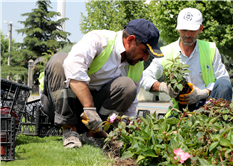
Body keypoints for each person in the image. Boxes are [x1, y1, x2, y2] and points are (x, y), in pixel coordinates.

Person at [40, 19, 163, 149]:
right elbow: (72, 65)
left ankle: (92, 135)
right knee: (59, 61)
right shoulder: (99, 40)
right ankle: (69, 130)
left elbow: (130, 106)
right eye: (144, 51)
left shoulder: (136, 66)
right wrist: (89, 108)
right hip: (59, 107)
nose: (145, 58)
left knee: (128, 85)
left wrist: (130, 131)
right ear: (130, 40)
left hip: (94, 120)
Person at [140, 8, 233, 113]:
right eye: (184, 30)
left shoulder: (210, 49)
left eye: (192, 31)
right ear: (178, 28)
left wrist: (204, 92)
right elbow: (144, 78)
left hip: (208, 104)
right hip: (180, 108)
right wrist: (163, 87)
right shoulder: (166, 52)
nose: (188, 35)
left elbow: (223, 80)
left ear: (200, 28)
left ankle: (221, 122)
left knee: (223, 85)